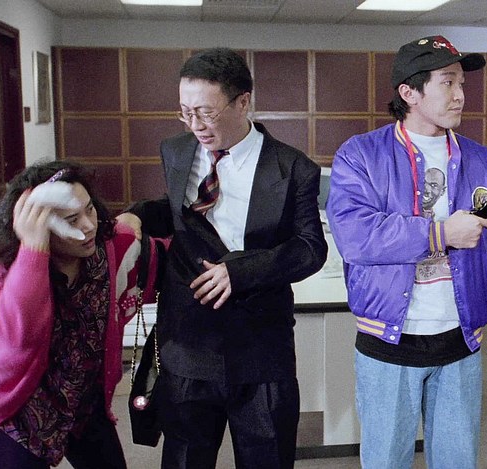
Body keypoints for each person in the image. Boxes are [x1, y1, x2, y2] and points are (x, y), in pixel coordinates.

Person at [117, 48, 327, 469]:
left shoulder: (293, 168)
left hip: (259, 345)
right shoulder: (176, 150)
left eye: (206, 113)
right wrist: (137, 215)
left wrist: (241, 271)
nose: (195, 125)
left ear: (243, 102)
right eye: (185, 112)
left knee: (267, 457)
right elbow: (178, 212)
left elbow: (310, 248)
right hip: (188, 340)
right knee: (184, 458)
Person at [326, 35, 487, 468]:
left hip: (460, 344)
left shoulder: (486, 163)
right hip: (388, 343)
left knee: (457, 461)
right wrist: (441, 234)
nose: (460, 95)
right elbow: (356, 236)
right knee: (386, 462)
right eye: (447, 82)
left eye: (462, 84)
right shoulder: (360, 155)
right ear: (409, 92)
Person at [0, 160, 165, 469]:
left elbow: (166, 259)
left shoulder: (109, 246)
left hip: (81, 398)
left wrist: (139, 214)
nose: (88, 225)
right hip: (12, 403)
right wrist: (33, 250)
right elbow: (19, 338)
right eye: (71, 219)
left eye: (89, 209)